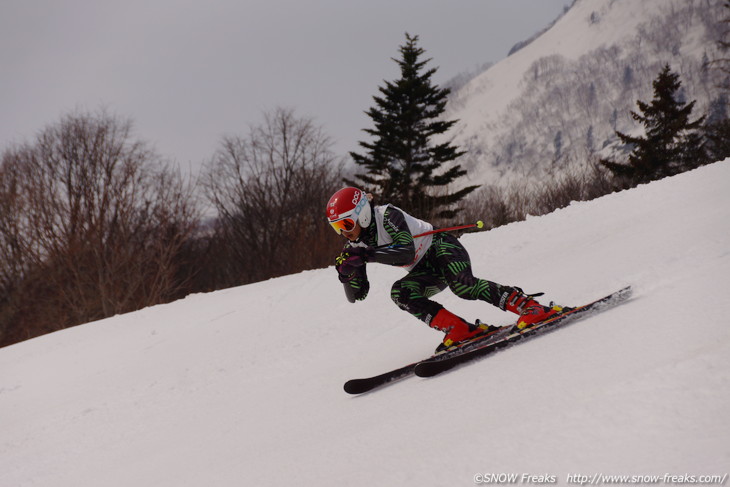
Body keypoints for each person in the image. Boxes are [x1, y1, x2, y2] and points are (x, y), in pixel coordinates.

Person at [326, 186, 565, 352]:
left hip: (442, 248)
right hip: (423, 269)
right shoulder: (355, 244)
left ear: (363, 215)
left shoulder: (387, 215)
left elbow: (406, 251)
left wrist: (365, 255)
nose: (344, 232)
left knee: (463, 286)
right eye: (337, 228)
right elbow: (358, 295)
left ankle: (530, 307)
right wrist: (346, 274)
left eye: (346, 223)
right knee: (401, 293)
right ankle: (459, 329)